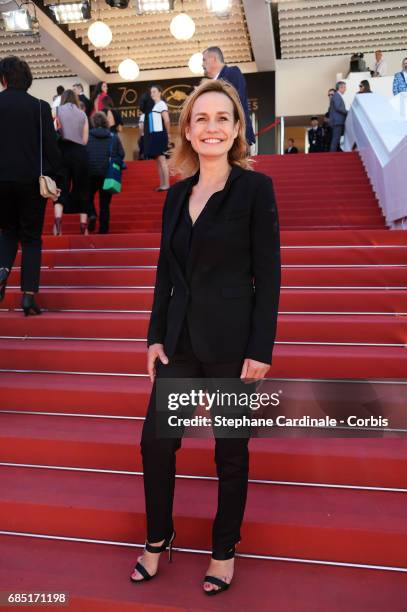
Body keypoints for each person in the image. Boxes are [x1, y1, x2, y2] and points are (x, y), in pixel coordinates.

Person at [130, 79, 280, 595]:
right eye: (201, 119)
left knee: (230, 451)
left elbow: (270, 273)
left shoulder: (255, 189)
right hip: (180, 345)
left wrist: (261, 347)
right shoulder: (175, 195)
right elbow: (164, 275)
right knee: (156, 445)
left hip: (235, 348)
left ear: (237, 129)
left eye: (222, 118)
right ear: (188, 133)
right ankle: (158, 537)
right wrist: (154, 336)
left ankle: (223, 549)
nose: (211, 127)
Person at [0, 56, 61, 316]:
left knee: (7, 231)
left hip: (1, 182)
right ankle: (28, 298)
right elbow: (51, 148)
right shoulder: (39, 107)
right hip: (31, 182)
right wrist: (57, 178)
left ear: (3, 79)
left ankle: (1, 271)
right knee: (32, 238)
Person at [202, 46, 255, 147]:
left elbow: (237, 103)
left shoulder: (232, 72)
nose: (202, 64)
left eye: (204, 60)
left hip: (236, 138)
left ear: (213, 59)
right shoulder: (209, 84)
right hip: (218, 139)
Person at [54, 89, 89, 235]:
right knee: (82, 188)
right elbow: (85, 140)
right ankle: (83, 227)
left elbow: (52, 132)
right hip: (80, 153)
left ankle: (57, 225)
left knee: (60, 187)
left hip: (62, 151)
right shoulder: (83, 114)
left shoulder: (56, 110)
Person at [86, 112, 125, 234]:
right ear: (105, 122)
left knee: (87, 197)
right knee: (105, 204)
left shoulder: (87, 137)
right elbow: (122, 154)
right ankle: (103, 229)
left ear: (93, 123)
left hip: (91, 173)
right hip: (107, 174)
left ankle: (91, 213)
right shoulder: (113, 137)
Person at [143, 84, 171, 191]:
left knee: (162, 160)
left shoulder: (161, 104)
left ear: (160, 93)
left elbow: (167, 120)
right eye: (151, 92)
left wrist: (168, 135)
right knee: (158, 161)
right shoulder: (155, 106)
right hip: (154, 135)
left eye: (154, 91)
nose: (152, 94)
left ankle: (166, 184)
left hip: (160, 134)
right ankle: (162, 184)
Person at [328, 81, 347, 152]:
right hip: (337, 121)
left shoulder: (337, 96)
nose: (345, 89)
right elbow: (338, 107)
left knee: (336, 139)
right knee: (335, 139)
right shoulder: (337, 96)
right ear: (340, 87)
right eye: (345, 87)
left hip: (337, 121)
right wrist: (347, 112)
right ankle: (332, 155)